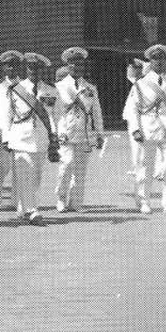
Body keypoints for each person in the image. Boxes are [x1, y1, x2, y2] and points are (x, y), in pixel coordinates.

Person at [123, 44, 166, 216]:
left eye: (162, 58)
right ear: (150, 61)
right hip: (146, 128)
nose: (159, 61)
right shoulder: (140, 84)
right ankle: (143, 201)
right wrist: (135, 129)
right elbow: (133, 108)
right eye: (155, 58)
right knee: (145, 168)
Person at [2, 52, 60, 225]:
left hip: (41, 139)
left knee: (36, 177)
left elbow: (56, 116)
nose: (33, 71)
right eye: (30, 67)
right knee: (24, 175)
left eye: (36, 68)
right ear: (25, 69)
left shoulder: (50, 90)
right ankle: (32, 210)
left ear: (41, 70)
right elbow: (7, 115)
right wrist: (6, 137)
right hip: (20, 138)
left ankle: (24, 207)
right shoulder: (15, 89)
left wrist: (55, 137)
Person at [54, 47, 104, 213]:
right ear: (67, 65)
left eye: (80, 64)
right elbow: (55, 114)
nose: (77, 67)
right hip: (66, 132)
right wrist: (57, 132)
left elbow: (96, 112)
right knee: (66, 165)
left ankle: (75, 202)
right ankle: (61, 197)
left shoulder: (90, 88)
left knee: (81, 171)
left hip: (84, 134)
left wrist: (99, 133)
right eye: (73, 63)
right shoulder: (59, 87)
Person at [0, 50, 23, 206]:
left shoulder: (24, 85)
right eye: (8, 66)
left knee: (19, 165)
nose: (11, 69)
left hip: (20, 131)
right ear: (3, 68)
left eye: (14, 66)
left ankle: (16, 198)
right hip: (3, 132)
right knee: (2, 165)